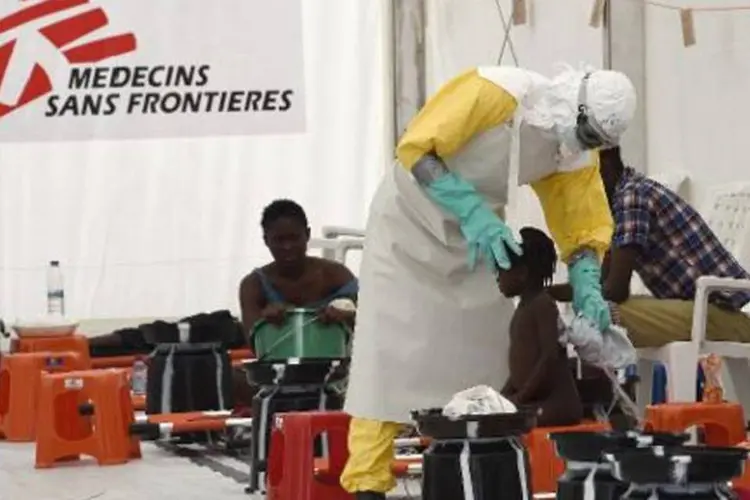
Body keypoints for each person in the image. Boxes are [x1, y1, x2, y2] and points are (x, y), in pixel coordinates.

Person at [340, 65, 637, 500]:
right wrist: (472, 210)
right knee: (386, 364)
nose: (585, 145)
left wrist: (587, 280)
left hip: (479, 244)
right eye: (586, 132)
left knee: (488, 358)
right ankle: (367, 483)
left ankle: (473, 473)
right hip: (407, 227)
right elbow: (417, 148)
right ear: (572, 104)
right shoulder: (496, 91)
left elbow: (581, 225)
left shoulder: (571, 149)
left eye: (596, 141)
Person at [549, 146, 750, 348]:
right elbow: (601, 282)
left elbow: (616, 290)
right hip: (703, 311)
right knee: (596, 309)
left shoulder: (632, 197)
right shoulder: (622, 199)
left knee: (605, 313)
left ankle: (596, 379)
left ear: (605, 166)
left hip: (724, 315)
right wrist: (544, 292)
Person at [498, 227, 583, 426]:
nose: (498, 279)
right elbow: (522, 366)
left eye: (501, 271)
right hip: (534, 400)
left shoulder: (542, 304)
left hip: (557, 405)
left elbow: (549, 358)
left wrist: (520, 397)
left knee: (510, 423)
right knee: (496, 416)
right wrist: (502, 398)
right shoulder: (524, 307)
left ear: (522, 273)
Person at [238, 199, 358, 336]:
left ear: (307, 234)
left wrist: (348, 317)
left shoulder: (336, 275)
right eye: (279, 240)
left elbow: (370, 323)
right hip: (279, 357)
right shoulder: (254, 285)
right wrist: (264, 323)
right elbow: (253, 340)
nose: (287, 247)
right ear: (266, 240)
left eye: (294, 238)